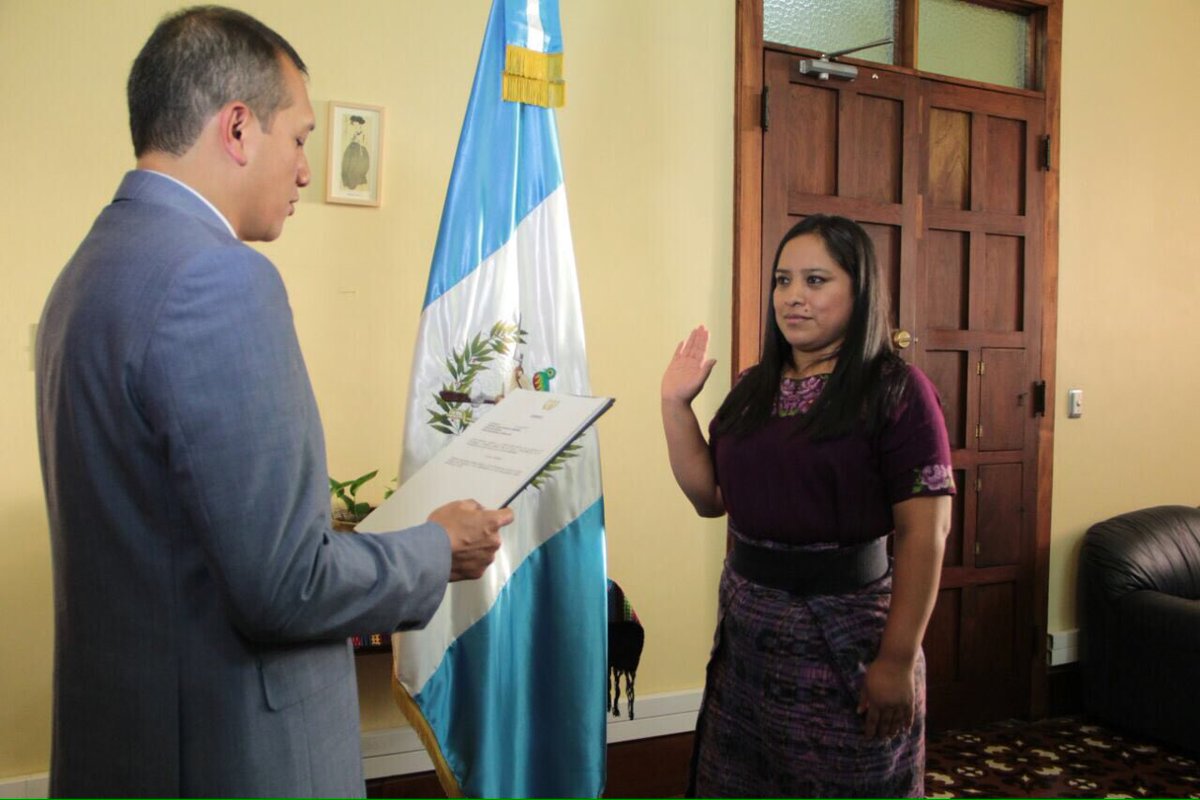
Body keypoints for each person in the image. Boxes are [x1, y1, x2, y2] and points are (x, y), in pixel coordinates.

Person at [34, 7, 512, 797]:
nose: (304, 172)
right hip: (227, 758)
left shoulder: (89, 267)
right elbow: (287, 584)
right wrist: (435, 548)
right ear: (236, 128)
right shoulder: (219, 279)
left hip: (125, 746)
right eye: (298, 138)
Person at [661, 214, 955, 797]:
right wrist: (675, 406)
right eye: (783, 280)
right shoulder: (753, 387)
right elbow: (710, 499)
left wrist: (897, 661)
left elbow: (926, 534)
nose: (792, 297)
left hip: (849, 638)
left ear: (860, 291)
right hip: (749, 636)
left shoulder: (896, 389)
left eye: (816, 280)